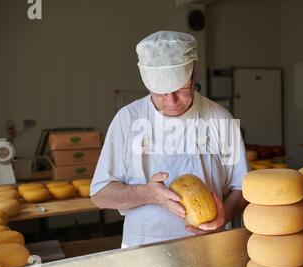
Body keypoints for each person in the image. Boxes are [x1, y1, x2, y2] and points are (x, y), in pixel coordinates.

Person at [90, 31, 248, 248]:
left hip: (209, 247)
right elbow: (100, 195)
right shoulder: (127, 119)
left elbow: (242, 188)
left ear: (194, 74)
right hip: (143, 248)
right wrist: (146, 194)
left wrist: (226, 214)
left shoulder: (221, 119)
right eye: (161, 92)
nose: (172, 101)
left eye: (181, 89)